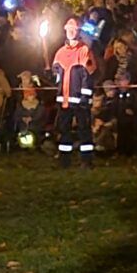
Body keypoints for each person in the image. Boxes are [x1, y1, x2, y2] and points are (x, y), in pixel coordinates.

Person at [51, 17, 98, 168]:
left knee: (84, 129)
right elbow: (55, 76)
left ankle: (86, 160)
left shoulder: (84, 51)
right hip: (64, 100)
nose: (71, 32)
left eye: (74, 30)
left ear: (78, 32)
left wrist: (85, 96)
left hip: (80, 100)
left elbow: (89, 75)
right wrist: (50, 73)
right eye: (69, 30)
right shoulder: (60, 53)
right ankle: (64, 159)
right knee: (64, 129)